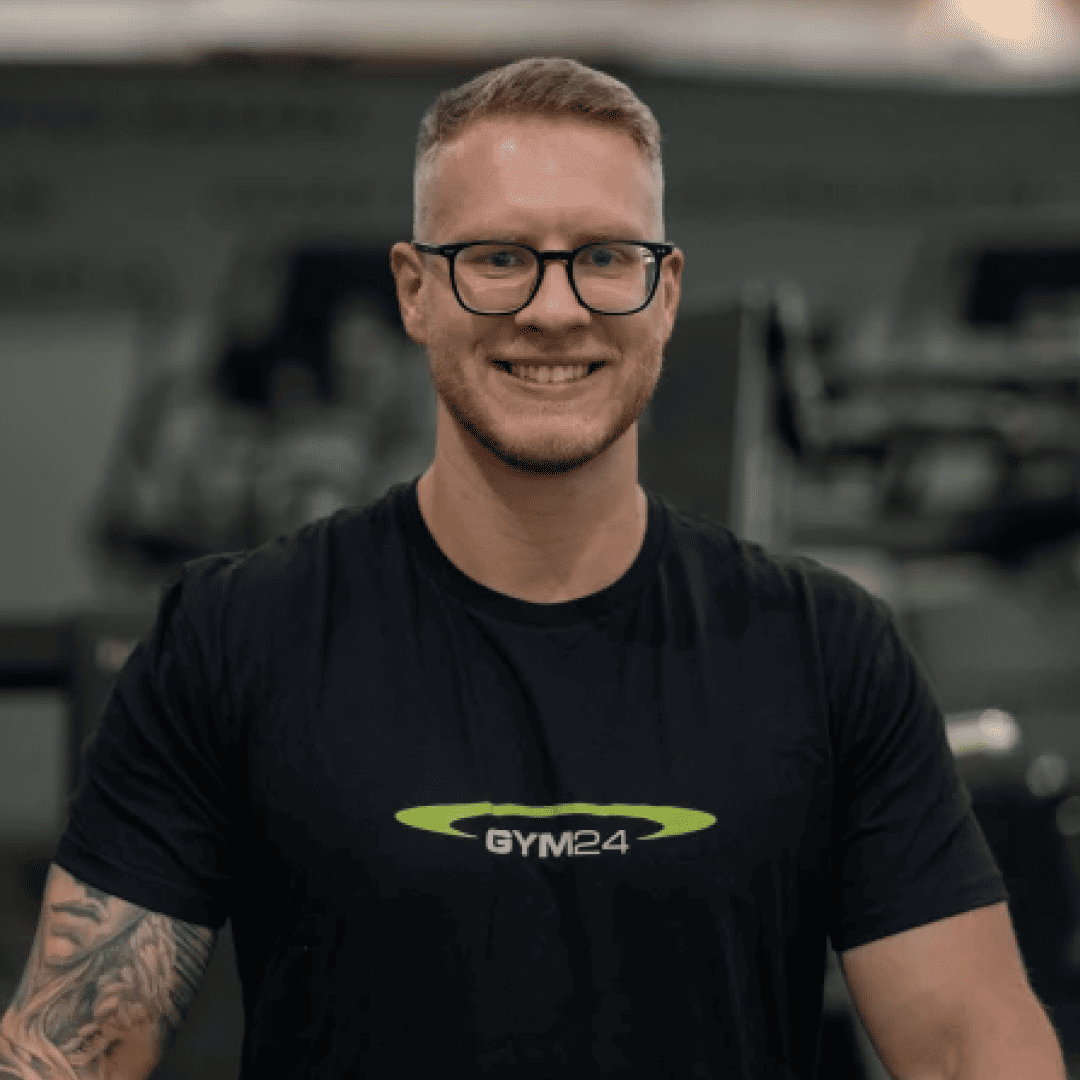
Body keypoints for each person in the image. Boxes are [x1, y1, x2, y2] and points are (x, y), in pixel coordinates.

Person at [0, 57, 1065, 1080]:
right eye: (500, 258)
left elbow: (969, 1044)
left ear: (664, 293)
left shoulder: (824, 650)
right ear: (415, 291)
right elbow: (69, 1051)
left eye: (603, 257)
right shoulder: (238, 634)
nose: (554, 309)